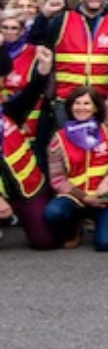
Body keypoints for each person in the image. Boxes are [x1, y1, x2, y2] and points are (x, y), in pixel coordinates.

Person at [43, 86, 108, 250]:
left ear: (96, 108)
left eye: (87, 103)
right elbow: (57, 179)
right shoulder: (58, 138)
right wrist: (84, 197)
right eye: (77, 103)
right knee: (53, 213)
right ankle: (73, 229)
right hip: (76, 197)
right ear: (70, 106)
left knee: (106, 244)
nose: (81, 108)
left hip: (106, 197)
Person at [30, 0, 108, 116]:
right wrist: (44, 16)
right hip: (67, 100)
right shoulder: (62, 20)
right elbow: (36, 41)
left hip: (102, 99)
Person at [0, 46, 57, 250]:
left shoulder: (8, 111)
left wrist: (43, 69)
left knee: (44, 241)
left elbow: (31, 94)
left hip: (28, 188)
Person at [2, 10, 42, 136]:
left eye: (14, 28)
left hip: (25, 117)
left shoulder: (33, 53)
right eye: (5, 28)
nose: (9, 32)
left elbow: (36, 89)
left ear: (22, 31)